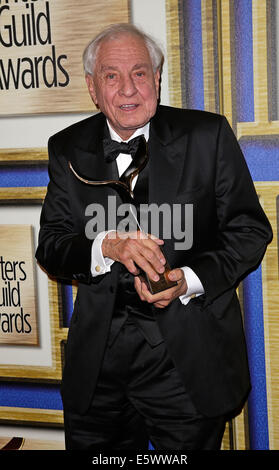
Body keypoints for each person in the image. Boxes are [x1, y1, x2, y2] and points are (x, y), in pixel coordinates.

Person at [35, 23, 272, 451]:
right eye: (111, 76)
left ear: (157, 78)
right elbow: (51, 246)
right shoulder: (66, 148)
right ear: (92, 87)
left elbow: (250, 230)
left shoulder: (208, 136)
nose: (128, 89)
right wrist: (105, 246)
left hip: (187, 363)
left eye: (140, 73)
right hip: (98, 371)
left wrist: (189, 279)